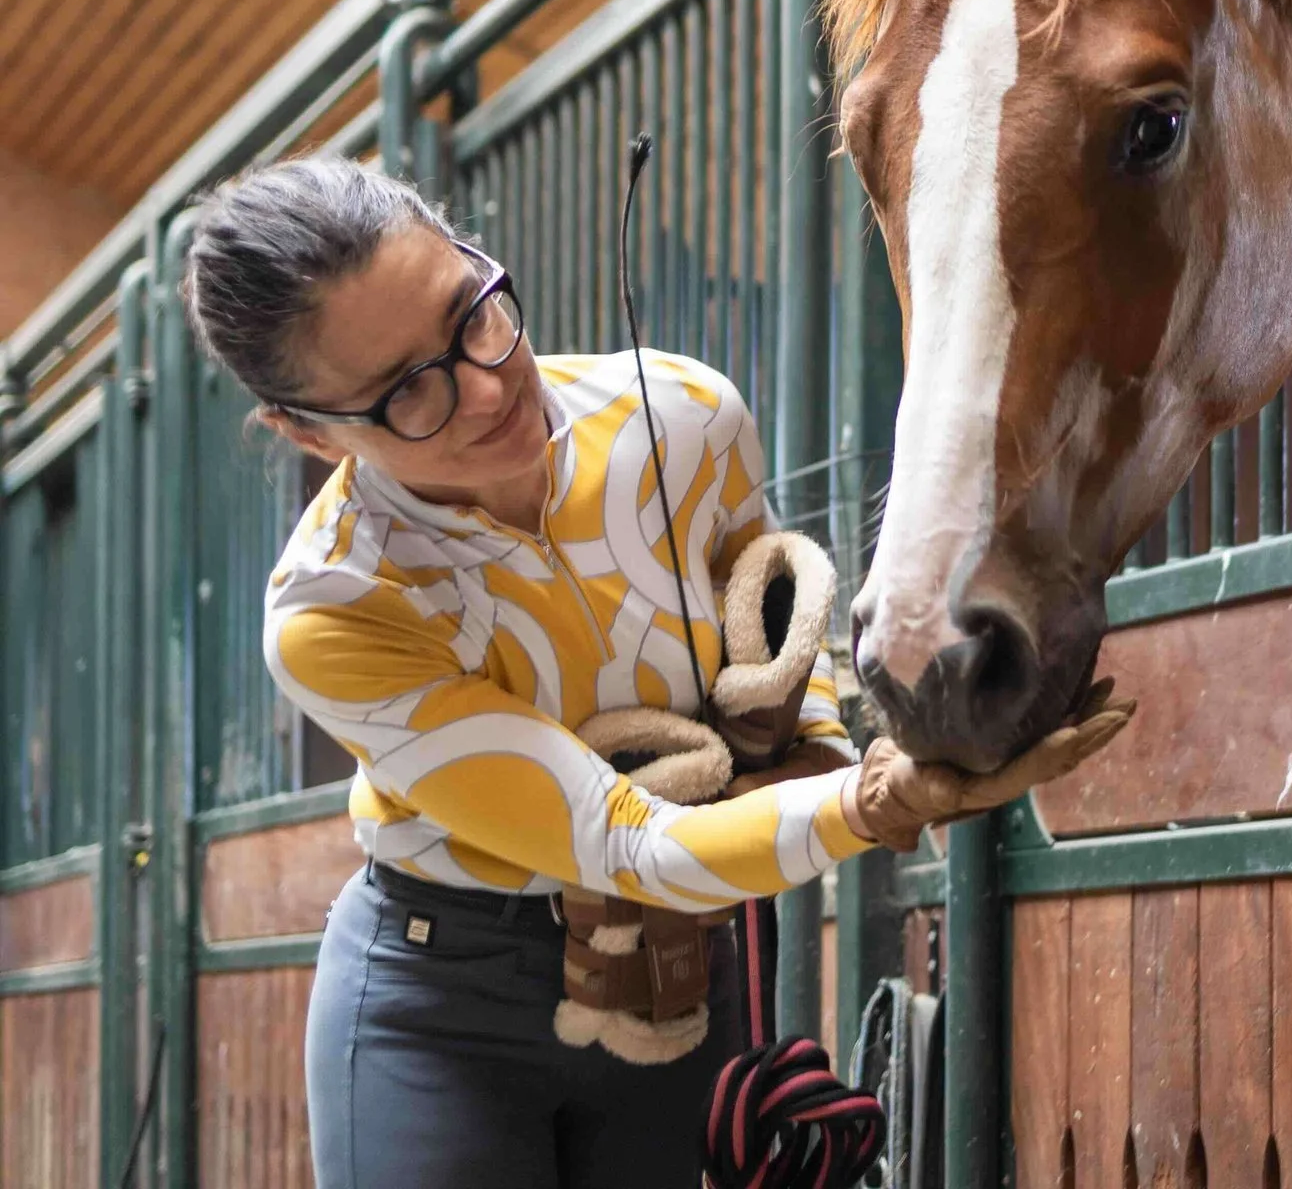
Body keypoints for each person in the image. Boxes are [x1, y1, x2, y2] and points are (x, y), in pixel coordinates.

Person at [181, 155, 1128, 1189]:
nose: (490, 385)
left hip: (678, 974)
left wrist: (816, 745)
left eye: (473, 313)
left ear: (467, 248)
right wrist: (871, 802)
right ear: (308, 433)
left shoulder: (684, 413)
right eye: (411, 392)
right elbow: (620, 838)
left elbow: (770, 636)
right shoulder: (334, 605)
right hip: (442, 1000)